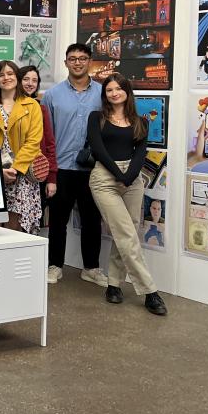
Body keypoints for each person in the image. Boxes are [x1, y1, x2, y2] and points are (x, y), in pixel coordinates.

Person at [87, 74, 167, 316]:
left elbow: (141, 152)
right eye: (109, 90)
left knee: (129, 233)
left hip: (133, 179)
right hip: (104, 178)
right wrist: (117, 174)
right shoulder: (97, 117)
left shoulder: (140, 120)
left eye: (118, 89)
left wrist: (129, 176)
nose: (114, 93)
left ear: (127, 92)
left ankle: (113, 285)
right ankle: (150, 291)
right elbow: (97, 148)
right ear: (105, 95)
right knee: (125, 233)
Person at [41, 44, 106, 286]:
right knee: (58, 220)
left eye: (82, 58)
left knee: (92, 220)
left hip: (93, 169)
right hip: (62, 168)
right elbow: (46, 136)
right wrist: (50, 171)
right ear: (65, 62)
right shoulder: (52, 95)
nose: (77, 63)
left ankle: (91, 267)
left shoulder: (102, 93)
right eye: (72, 59)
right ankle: (55, 265)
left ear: (90, 61)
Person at [0, 61, 44, 234]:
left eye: (10, 74)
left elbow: (33, 141)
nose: (6, 78)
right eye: (1, 75)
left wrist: (15, 169)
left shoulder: (32, 105)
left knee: (15, 229)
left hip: (21, 174)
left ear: (17, 77)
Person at [17, 65, 59, 216]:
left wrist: (51, 178)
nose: (30, 83)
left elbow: (49, 144)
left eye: (34, 80)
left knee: (32, 222)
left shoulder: (41, 109)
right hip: (12, 172)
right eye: (26, 79)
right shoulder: (7, 107)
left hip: (36, 173)